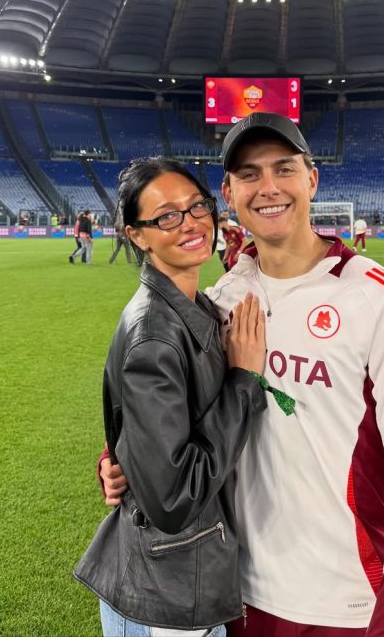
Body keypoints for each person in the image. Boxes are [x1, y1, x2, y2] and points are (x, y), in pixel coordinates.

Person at [102, 113, 384, 637]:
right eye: (249, 174)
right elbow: (173, 414)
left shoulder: (375, 297)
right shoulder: (223, 298)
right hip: (235, 592)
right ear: (229, 193)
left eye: (284, 169)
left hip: (341, 601)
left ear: (312, 179)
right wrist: (119, 461)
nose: (268, 188)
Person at [74, 158, 269, 637]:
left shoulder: (191, 307)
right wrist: (244, 380)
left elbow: (153, 433)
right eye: (166, 216)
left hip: (177, 579)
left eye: (197, 206)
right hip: (167, 596)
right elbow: (173, 499)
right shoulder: (156, 336)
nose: (190, 223)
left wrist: (119, 459)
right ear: (137, 235)